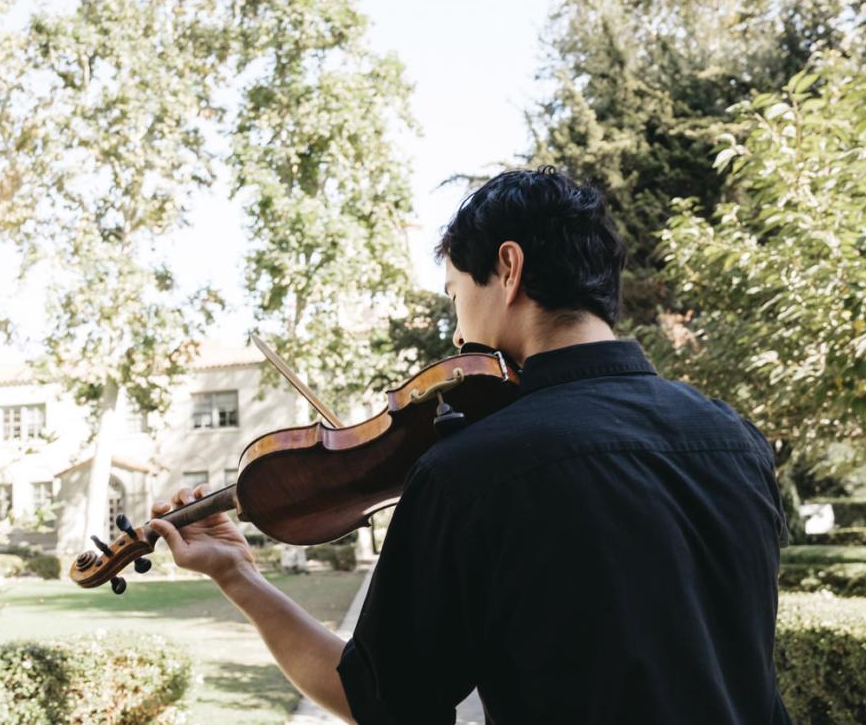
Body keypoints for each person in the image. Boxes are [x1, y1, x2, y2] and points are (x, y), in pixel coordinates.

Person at [148, 166, 792, 724]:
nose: (458, 337)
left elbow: (382, 702)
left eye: (456, 295)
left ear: (507, 269)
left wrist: (238, 575)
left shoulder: (472, 470)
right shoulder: (736, 440)